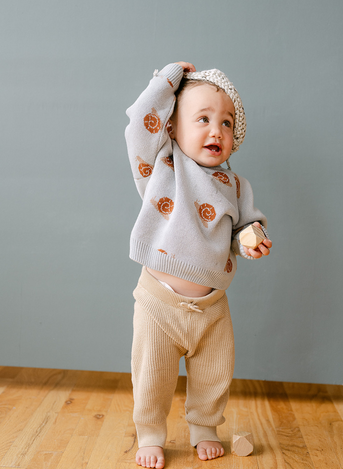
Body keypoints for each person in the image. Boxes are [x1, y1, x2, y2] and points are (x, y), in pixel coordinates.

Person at [125, 61, 272, 468]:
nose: (216, 131)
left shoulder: (236, 186)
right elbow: (140, 122)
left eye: (227, 123)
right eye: (203, 119)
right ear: (173, 127)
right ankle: (151, 434)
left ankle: (204, 427)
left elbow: (246, 226)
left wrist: (251, 240)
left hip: (211, 309)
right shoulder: (162, 167)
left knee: (214, 373)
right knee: (152, 377)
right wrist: (166, 82)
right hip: (160, 305)